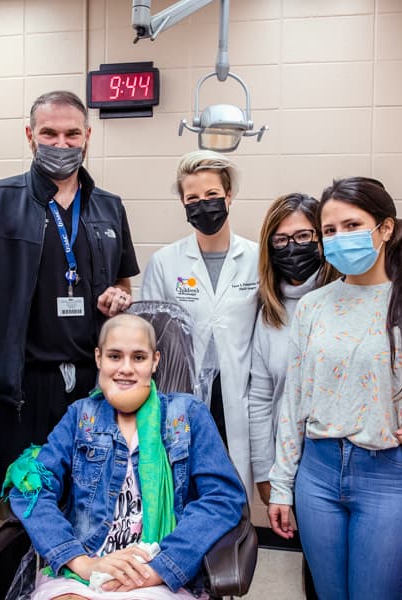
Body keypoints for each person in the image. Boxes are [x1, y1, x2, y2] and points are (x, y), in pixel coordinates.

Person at [0, 90, 139, 597]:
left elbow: (124, 286)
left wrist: (116, 298)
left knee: (90, 505)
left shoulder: (108, 207)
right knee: (16, 507)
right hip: (16, 391)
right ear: (30, 136)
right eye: (49, 134)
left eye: (72, 134)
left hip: (90, 391)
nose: (61, 144)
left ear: (88, 137)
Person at [268, 177, 402, 600]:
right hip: (318, 475)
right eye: (329, 231)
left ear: (384, 229)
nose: (339, 238)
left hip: (392, 478)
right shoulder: (313, 306)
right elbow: (294, 404)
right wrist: (282, 484)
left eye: (352, 226)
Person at [6, 313, 246, 599]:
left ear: (155, 361)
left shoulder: (188, 415)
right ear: (98, 358)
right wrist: (80, 562)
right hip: (87, 568)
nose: (126, 368)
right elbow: (31, 487)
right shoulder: (81, 417)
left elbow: (222, 497)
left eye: (139, 357)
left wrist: (163, 567)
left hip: (159, 574)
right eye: (115, 356)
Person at [248, 192, 402, 507]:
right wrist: (266, 473)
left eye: (303, 236)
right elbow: (260, 399)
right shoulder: (272, 311)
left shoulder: (369, 294)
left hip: (376, 461)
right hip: (296, 457)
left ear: (320, 240)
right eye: (280, 240)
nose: (292, 248)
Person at [140, 150, 257, 499]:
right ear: (182, 202)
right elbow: (149, 338)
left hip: (239, 395)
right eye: (193, 198)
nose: (203, 205)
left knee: (231, 496)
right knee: (183, 493)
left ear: (229, 196)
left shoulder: (256, 258)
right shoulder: (165, 262)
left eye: (212, 196)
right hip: (180, 396)